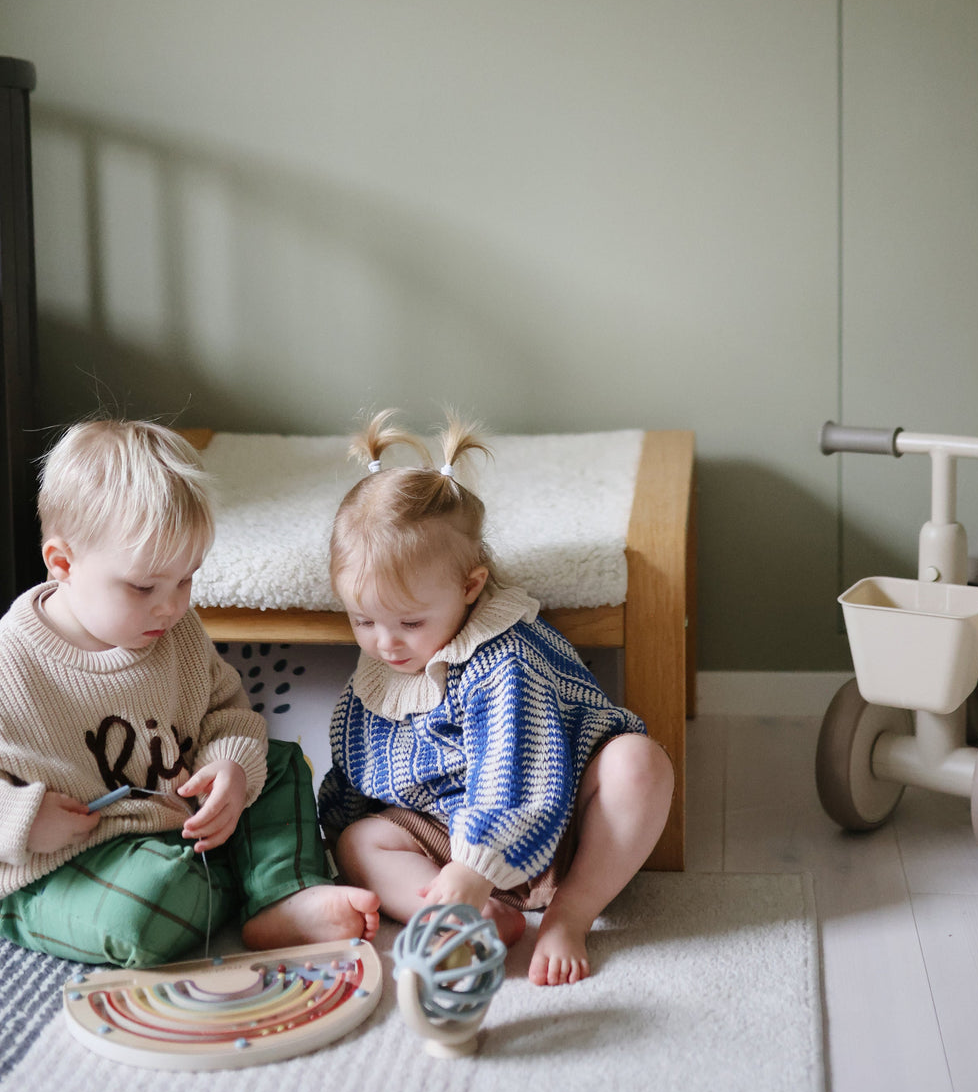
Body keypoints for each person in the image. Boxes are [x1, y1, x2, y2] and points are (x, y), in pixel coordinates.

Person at [0, 419, 379, 967]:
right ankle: (246, 882)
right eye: (144, 586)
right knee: (144, 912)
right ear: (62, 563)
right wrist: (23, 819)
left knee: (277, 764)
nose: (172, 605)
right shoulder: (13, 660)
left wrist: (230, 769)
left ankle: (284, 894)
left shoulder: (174, 631)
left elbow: (227, 714)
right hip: (65, 862)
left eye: (187, 579)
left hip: (177, 828)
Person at [319, 410, 673, 986]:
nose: (385, 643)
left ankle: (570, 914)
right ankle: (470, 913)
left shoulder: (504, 659)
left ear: (470, 587)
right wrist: (331, 835)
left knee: (640, 764)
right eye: (362, 620)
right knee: (361, 840)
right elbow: (358, 770)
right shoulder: (383, 667)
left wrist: (475, 863)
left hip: (555, 820)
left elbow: (516, 769)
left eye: (408, 621)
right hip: (450, 835)